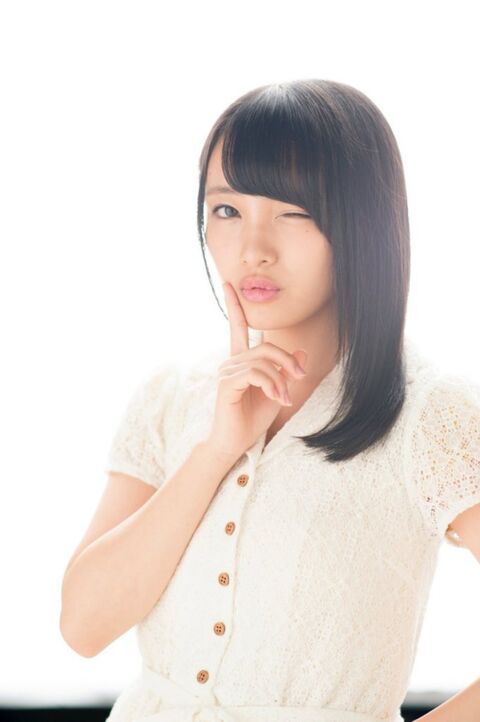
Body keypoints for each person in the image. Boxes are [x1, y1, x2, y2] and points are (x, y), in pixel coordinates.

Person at [60, 79, 480, 722]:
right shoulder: (171, 399)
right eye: (227, 210)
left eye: (294, 213)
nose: (253, 249)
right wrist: (216, 451)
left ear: (362, 223)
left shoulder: (429, 416)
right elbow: (84, 627)